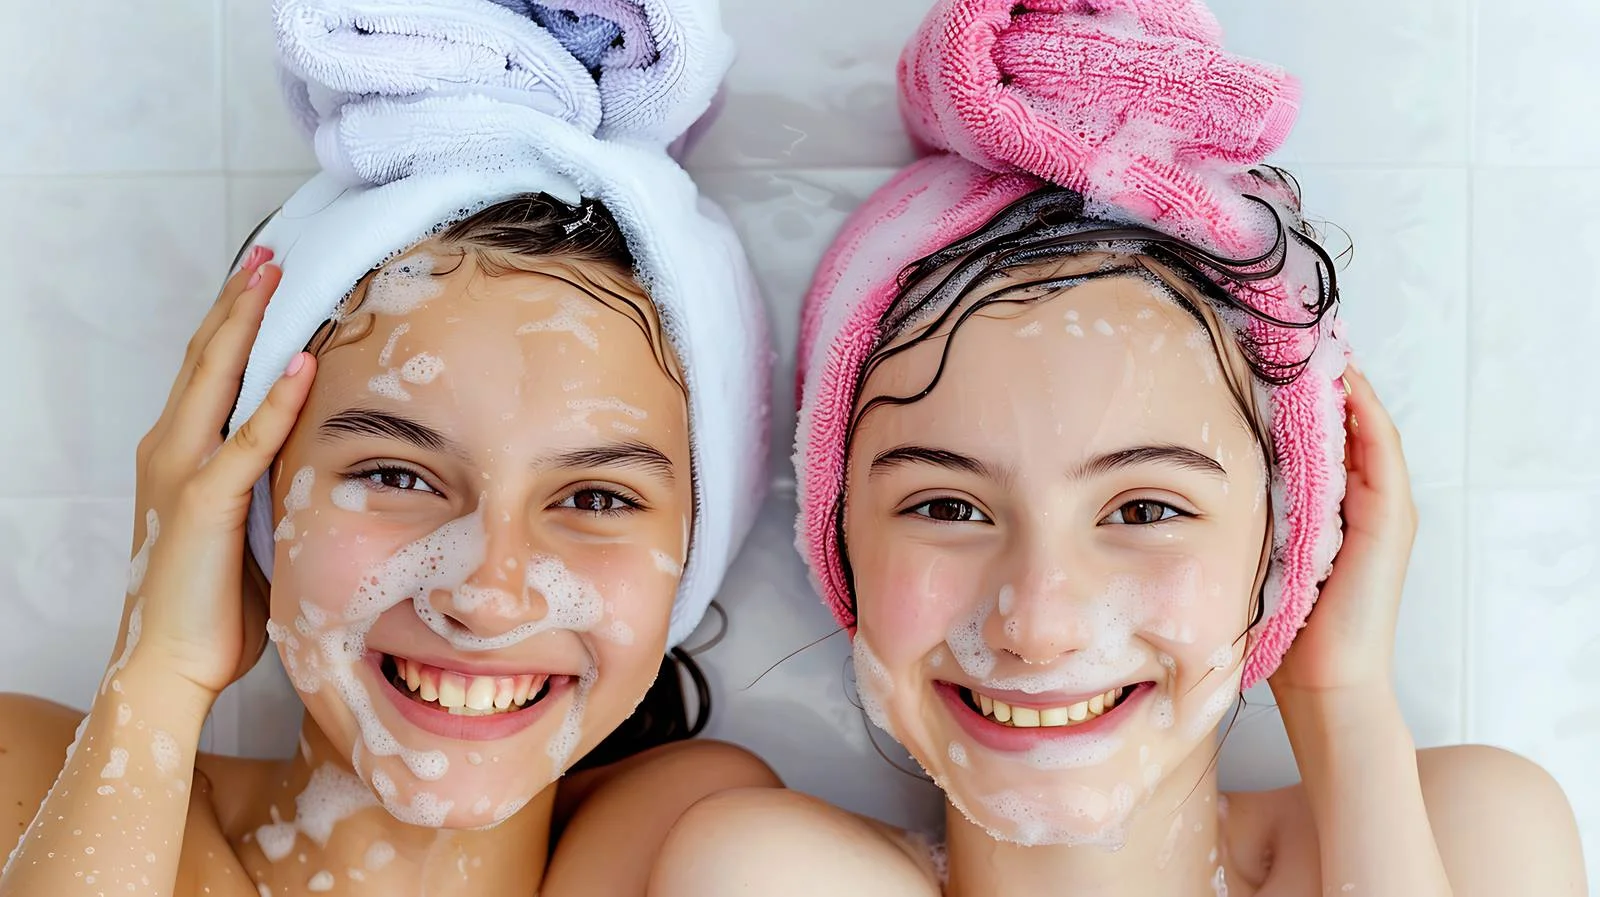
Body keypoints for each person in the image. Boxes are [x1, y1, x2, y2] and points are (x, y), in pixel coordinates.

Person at [648, 1, 1588, 894]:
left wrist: (1343, 701)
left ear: (1288, 535)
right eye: (949, 507)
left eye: (1145, 509)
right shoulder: (763, 875)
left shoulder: (1474, 836)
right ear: (841, 537)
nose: (1038, 622)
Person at [0, 1, 777, 894]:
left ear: (695, 554)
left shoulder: (687, 846)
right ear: (249, 493)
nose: (487, 595)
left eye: (596, 498)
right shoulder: (25, 781)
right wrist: (154, 675)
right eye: (397, 474)